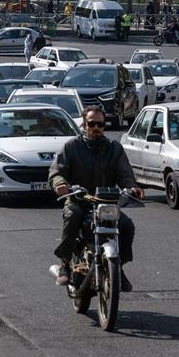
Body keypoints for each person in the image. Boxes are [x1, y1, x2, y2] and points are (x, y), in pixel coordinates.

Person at [48, 105, 142, 291]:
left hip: (106, 203)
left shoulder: (114, 148)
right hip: (78, 200)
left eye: (100, 124)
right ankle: (65, 262)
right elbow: (56, 171)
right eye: (92, 124)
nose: (96, 128)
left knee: (126, 225)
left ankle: (118, 267)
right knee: (73, 216)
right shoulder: (71, 146)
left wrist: (132, 187)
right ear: (84, 125)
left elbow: (124, 173)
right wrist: (60, 184)